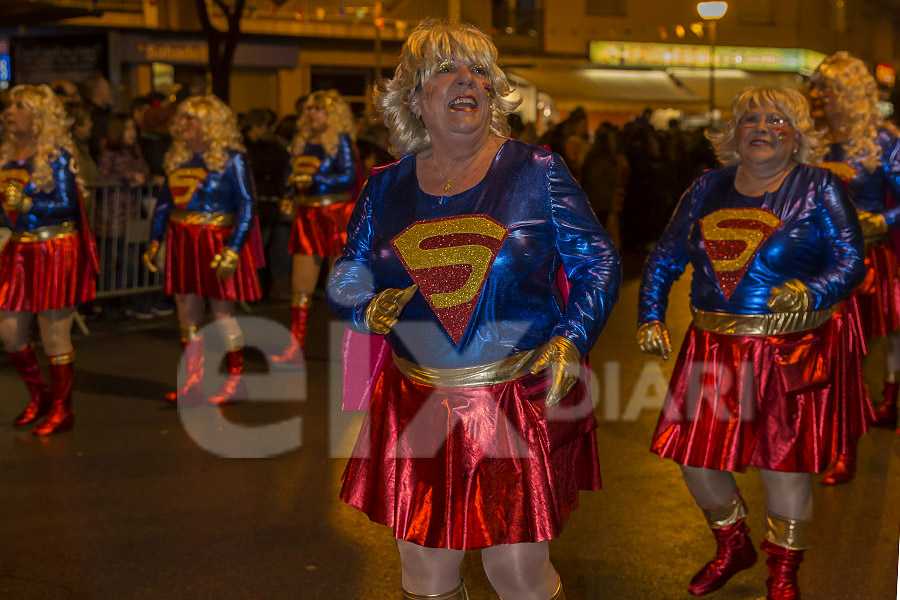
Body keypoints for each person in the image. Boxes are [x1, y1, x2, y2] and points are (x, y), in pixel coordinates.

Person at [327, 20, 621, 600]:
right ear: (414, 98)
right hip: (415, 397)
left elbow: (599, 263)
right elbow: (344, 274)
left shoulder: (537, 171)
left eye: (480, 72)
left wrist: (571, 339)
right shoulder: (385, 187)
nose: (468, 81)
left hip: (513, 397)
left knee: (515, 572)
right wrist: (366, 308)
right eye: (446, 70)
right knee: (425, 573)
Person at [637, 86, 868, 599]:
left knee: (782, 466)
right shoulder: (706, 187)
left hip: (788, 351)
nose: (762, 128)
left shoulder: (818, 186)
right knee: (696, 460)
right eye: (751, 119)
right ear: (734, 132)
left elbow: (853, 262)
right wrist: (649, 315)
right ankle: (734, 543)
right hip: (714, 346)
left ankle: (783, 574)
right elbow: (666, 256)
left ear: (797, 135)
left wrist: (812, 290)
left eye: (777, 120)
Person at [808, 52, 900, 484]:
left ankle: (846, 447)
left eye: (824, 87)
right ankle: (814, 438)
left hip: (864, 265)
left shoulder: (884, 143)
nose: (815, 95)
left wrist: (882, 220)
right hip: (810, 266)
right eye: (814, 86)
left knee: (849, 359)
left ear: (847, 93)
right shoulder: (808, 141)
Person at [142, 95, 263, 405]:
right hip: (183, 240)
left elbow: (247, 204)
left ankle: (236, 381)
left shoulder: (233, 158)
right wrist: (155, 240)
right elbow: (164, 205)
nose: (182, 124)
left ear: (210, 125)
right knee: (186, 312)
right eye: (181, 118)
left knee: (222, 312)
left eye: (190, 119)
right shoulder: (178, 158)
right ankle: (193, 382)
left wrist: (234, 248)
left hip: (217, 241)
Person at [0, 84, 99, 435]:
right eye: (10, 107)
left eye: (20, 106)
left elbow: (68, 205)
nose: (10, 112)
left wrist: (26, 203)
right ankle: (40, 395)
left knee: (55, 336)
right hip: (19, 250)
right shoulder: (8, 155)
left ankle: (62, 409)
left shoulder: (56, 154)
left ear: (39, 115)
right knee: (10, 333)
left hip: (54, 250)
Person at [271, 89, 361, 366]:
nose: (312, 114)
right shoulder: (301, 142)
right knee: (300, 287)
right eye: (309, 109)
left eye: (319, 109)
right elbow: (289, 175)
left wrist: (313, 178)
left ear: (333, 115)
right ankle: (295, 347)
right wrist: (290, 190)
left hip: (335, 216)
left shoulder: (341, 141)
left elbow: (348, 177)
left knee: (341, 288)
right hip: (307, 217)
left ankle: (354, 352)